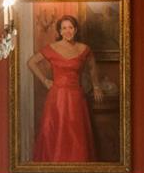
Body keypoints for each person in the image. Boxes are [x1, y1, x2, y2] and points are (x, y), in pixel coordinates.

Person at [29, 13, 96, 163]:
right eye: (64, 28)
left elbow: (92, 68)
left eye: (70, 27)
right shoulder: (52, 48)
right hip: (57, 97)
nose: (67, 31)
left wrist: (96, 86)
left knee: (76, 133)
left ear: (76, 29)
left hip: (76, 96)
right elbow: (31, 62)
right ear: (59, 31)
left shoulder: (84, 49)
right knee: (56, 131)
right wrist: (45, 80)